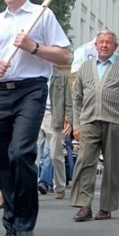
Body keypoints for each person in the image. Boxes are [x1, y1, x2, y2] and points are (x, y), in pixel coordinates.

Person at [0, 0, 70, 236]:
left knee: (21, 154)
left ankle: (26, 227)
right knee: (2, 161)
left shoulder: (41, 15)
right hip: (1, 93)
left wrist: (33, 47)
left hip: (31, 90)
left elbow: (66, 55)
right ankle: (11, 224)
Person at [70, 31, 119, 222]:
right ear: (95, 46)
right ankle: (84, 205)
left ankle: (106, 206)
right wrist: (77, 123)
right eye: (101, 42)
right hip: (89, 121)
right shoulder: (85, 67)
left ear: (115, 46)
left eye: (108, 42)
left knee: (112, 164)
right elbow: (77, 97)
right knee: (84, 162)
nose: (104, 45)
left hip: (115, 121)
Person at [37, 68, 72, 199]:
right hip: (36, 115)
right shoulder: (36, 71)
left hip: (54, 116)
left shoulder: (61, 76)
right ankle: (29, 186)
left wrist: (70, 121)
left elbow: (68, 101)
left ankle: (60, 186)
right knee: (32, 154)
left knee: (55, 155)